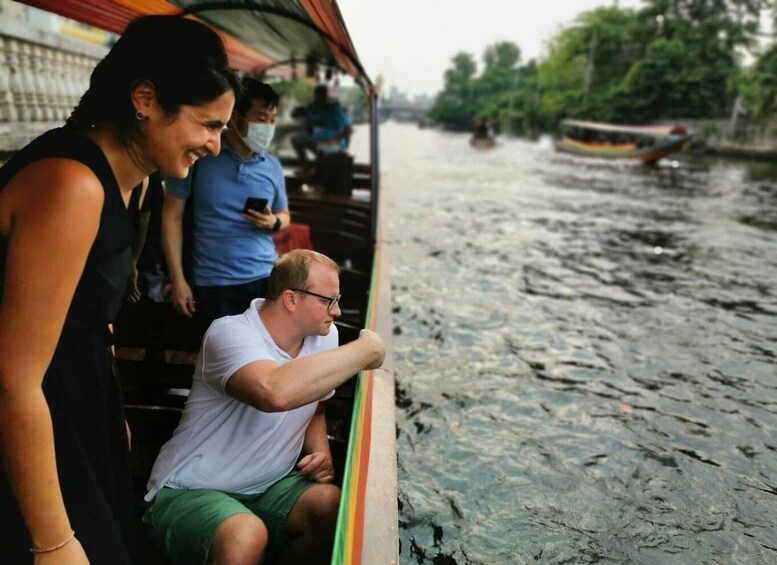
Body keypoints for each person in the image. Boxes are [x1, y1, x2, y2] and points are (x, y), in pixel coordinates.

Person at [0, 15, 239, 565]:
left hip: (78, 395)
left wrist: (111, 419)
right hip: (30, 412)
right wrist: (52, 542)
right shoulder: (72, 185)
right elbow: (14, 378)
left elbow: (91, 315)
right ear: (146, 99)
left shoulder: (137, 182)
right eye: (209, 124)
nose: (216, 146)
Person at [143, 249, 385, 565]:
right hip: (189, 490)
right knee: (246, 533)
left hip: (269, 486)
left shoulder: (325, 336)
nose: (337, 311)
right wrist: (368, 349)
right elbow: (274, 392)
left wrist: (320, 453)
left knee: (332, 508)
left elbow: (317, 407)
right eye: (328, 300)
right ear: (290, 299)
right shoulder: (230, 332)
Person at [162, 78, 290, 337]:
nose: (268, 127)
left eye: (273, 120)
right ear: (235, 117)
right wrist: (178, 280)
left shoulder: (272, 166)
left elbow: (285, 215)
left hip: (265, 280)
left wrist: (272, 222)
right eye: (261, 118)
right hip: (212, 284)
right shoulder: (198, 157)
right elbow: (171, 218)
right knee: (218, 363)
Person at [291, 84, 353, 173]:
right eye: (317, 97)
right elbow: (295, 115)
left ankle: (320, 176)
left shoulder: (334, 110)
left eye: (321, 97)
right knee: (296, 139)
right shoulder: (312, 109)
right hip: (317, 140)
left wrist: (333, 139)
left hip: (335, 141)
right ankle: (306, 167)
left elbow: (349, 130)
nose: (319, 100)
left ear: (326, 97)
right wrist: (298, 111)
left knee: (322, 149)